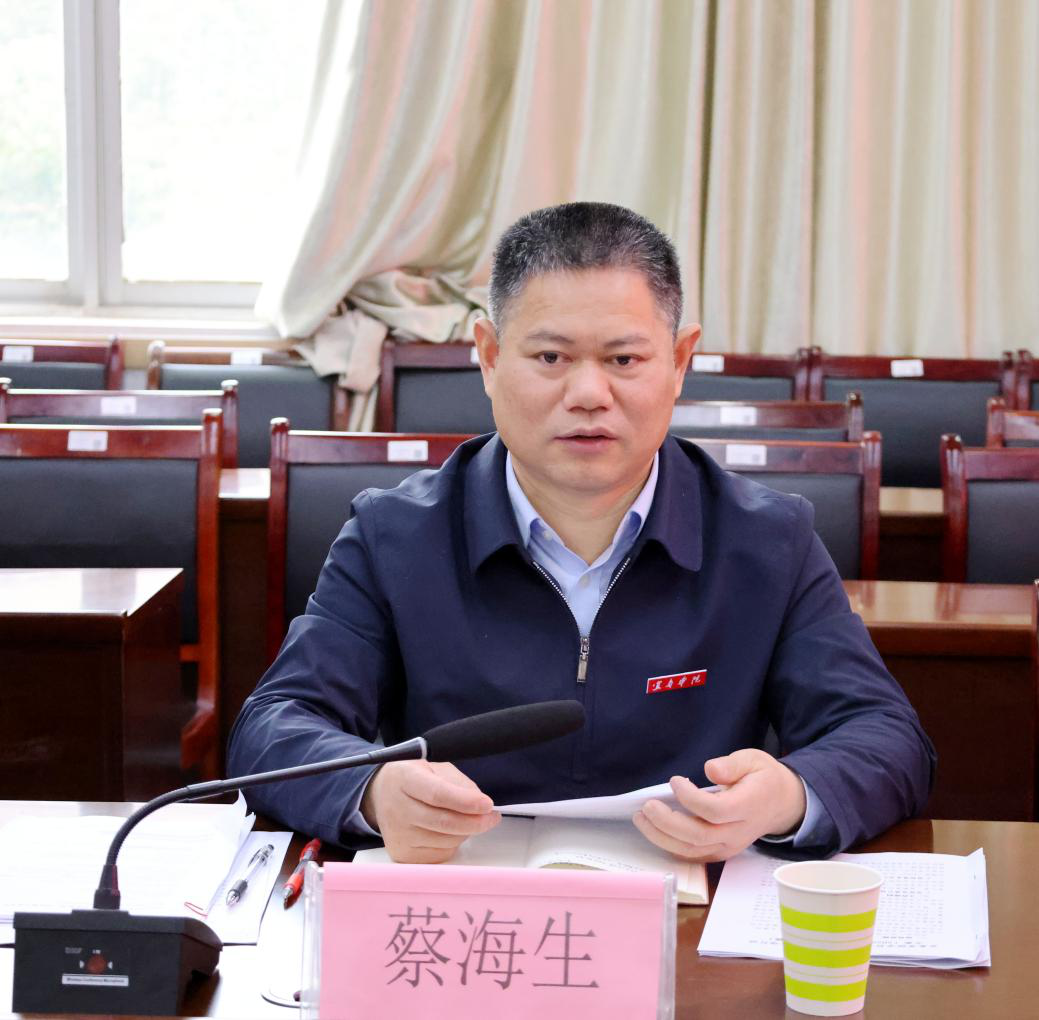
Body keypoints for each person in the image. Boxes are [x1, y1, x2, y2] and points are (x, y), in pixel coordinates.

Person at [228, 201, 935, 864]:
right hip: (466, 900)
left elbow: (887, 737)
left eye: (624, 360)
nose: (589, 394)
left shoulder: (765, 540)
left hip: (689, 905)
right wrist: (371, 792)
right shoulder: (395, 535)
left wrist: (787, 796)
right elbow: (274, 726)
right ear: (488, 356)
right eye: (551, 358)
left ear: (679, 361)